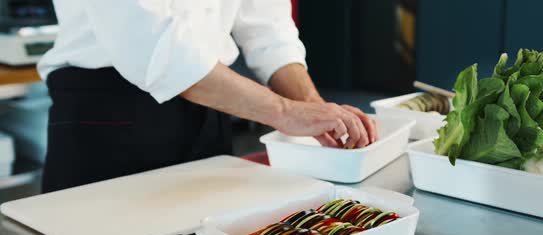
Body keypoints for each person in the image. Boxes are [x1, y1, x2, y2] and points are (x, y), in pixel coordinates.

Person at [38, 0, 377, 193]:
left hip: (212, 106)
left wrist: (314, 109)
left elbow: (267, 28)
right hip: (109, 115)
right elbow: (149, 43)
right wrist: (284, 111)